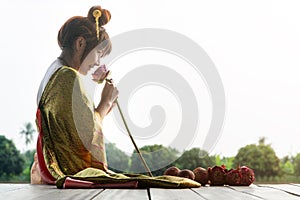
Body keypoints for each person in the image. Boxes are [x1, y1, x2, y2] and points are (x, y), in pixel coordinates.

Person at [31, 5, 118, 184]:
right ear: (80, 44)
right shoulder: (67, 76)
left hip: (45, 168)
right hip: (67, 170)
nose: (98, 62)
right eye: (99, 53)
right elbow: (84, 135)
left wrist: (104, 108)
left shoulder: (54, 70)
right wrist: (105, 103)